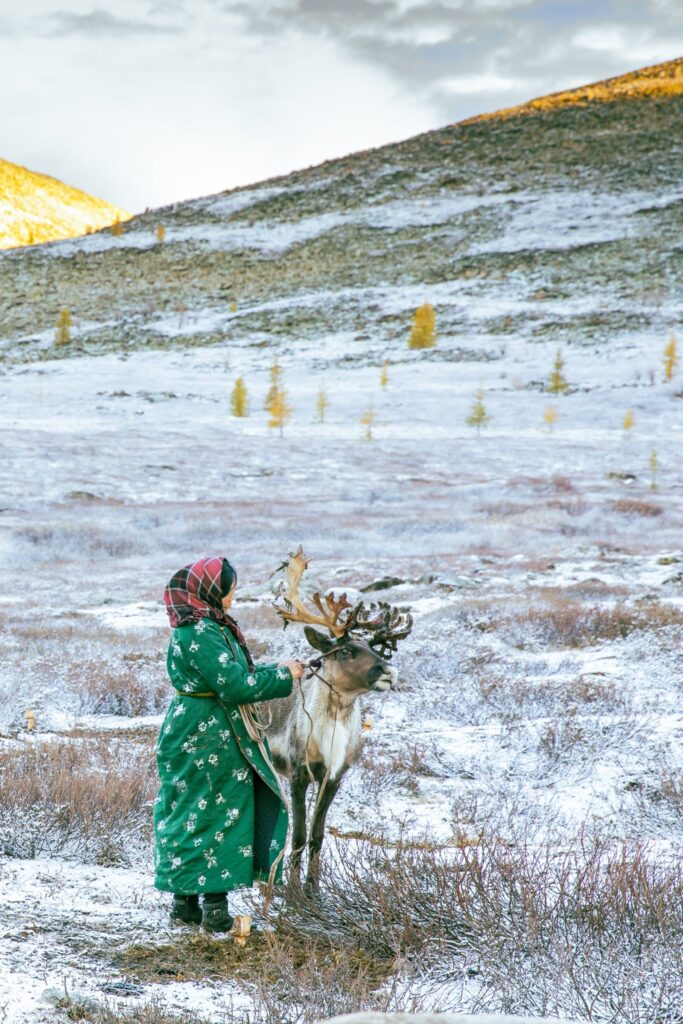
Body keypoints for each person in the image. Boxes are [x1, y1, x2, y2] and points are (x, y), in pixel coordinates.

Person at [153, 556, 304, 931]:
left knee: (189, 811)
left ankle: (185, 905)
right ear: (209, 591)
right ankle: (215, 909)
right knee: (216, 813)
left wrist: (281, 671)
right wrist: (284, 678)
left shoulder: (204, 625)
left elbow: (238, 673)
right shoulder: (202, 632)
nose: (233, 596)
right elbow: (236, 685)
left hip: (197, 729)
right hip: (209, 737)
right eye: (229, 590)